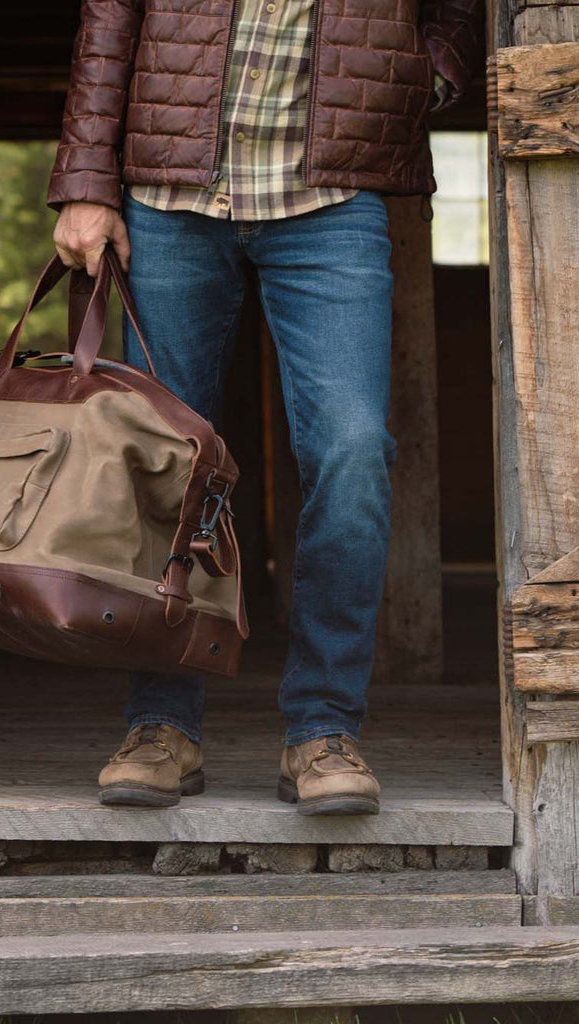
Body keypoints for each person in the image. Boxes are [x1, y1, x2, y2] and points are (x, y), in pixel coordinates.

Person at [49, 0, 484, 814]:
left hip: (332, 198)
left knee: (353, 451)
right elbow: (110, 20)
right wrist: (85, 182)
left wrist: (417, 77)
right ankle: (160, 725)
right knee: (161, 461)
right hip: (170, 195)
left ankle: (323, 729)